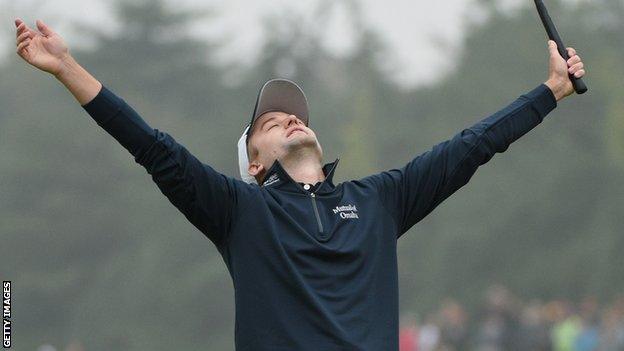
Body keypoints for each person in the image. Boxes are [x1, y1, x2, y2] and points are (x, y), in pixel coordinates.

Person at [14, 17, 586, 351]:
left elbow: (472, 147)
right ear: (255, 164)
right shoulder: (239, 210)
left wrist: (551, 91)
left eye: (294, 115)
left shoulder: (379, 200)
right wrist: (67, 67)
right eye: (269, 122)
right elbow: (151, 147)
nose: (289, 118)